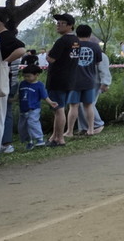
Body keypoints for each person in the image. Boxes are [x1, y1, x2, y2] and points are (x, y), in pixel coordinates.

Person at [45, 13, 80, 146]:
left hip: (58, 79)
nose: (58, 25)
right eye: (58, 23)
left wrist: (48, 53)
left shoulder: (62, 41)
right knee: (59, 108)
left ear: (70, 26)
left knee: (58, 109)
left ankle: (60, 138)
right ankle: (54, 136)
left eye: (62, 23)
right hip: (69, 79)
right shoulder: (76, 41)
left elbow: (51, 58)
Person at [64, 24, 102, 137]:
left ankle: (69, 131)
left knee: (73, 106)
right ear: (90, 35)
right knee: (88, 105)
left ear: (77, 34)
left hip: (74, 80)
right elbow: (98, 62)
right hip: (90, 79)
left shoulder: (73, 46)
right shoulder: (96, 47)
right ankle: (90, 129)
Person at [0, 9, 25, 155]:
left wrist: (4, 62)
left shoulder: (5, 36)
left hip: (4, 82)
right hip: (5, 81)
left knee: (3, 114)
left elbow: (21, 49)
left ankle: (4, 144)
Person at [18, 65, 57, 149]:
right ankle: (29, 141)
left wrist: (51, 103)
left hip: (34, 108)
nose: (26, 78)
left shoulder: (39, 85)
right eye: (24, 76)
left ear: (36, 75)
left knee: (32, 122)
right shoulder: (22, 83)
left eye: (29, 76)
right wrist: (12, 99)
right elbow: (19, 95)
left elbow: (44, 96)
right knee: (23, 126)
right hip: (23, 109)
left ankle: (39, 139)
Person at [77, 39, 111, 135]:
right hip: (84, 82)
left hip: (95, 83)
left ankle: (98, 124)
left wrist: (105, 83)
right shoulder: (83, 54)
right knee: (80, 105)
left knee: (88, 104)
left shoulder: (102, 56)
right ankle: (84, 127)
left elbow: (104, 71)